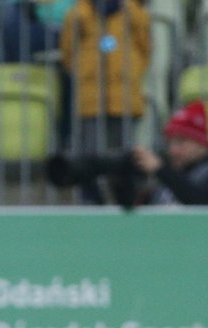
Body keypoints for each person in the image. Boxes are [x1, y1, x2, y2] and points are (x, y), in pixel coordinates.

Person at [60, 0, 150, 204]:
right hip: (91, 100)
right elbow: (68, 53)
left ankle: (127, 201)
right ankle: (92, 203)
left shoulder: (134, 13)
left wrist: (129, 73)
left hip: (125, 99)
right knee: (89, 155)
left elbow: (145, 48)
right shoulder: (78, 14)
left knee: (124, 156)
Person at [132, 100, 208, 205]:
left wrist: (161, 171)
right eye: (169, 143)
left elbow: (206, 209)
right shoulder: (176, 170)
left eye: (181, 141)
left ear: (202, 143)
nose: (172, 150)